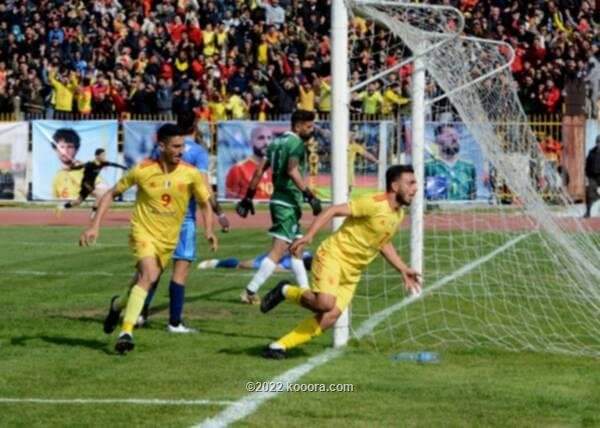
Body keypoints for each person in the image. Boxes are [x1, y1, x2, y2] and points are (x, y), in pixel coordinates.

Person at [79, 124, 217, 354]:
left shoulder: (191, 173)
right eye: (175, 146)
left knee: (144, 280)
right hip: (142, 232)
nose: (181, 151)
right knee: (149, 275)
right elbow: (111, 194)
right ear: (161, 146)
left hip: (168, 239)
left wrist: (209, 230)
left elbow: (204, 202)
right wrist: (94, 226)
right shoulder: (142, 169)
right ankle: (126, 332)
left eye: (182, 146)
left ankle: (117, 305)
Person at [259, 165, 421, 359]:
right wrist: (309, 235)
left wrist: (402, 268)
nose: (415, 188)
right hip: (334, 256)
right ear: (394, 186)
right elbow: (334, 210)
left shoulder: (398, 214)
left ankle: (278, 346)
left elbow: (382, 242)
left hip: (353, 272)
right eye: (410, 183)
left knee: (330, 316)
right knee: (325, 303)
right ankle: (286, 290)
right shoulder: (374, 203)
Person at [138, 112, 231, 331]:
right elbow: (204, 190)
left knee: (152, 271)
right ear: (196, 125)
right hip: (184, 218)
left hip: (158, 218)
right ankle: (175, 322)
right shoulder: (198, 152)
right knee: (180, 271)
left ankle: (139, 314)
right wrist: (218, 215)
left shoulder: (161, 148)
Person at [236, 109, 322, 304]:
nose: (312, 130)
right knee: (277, 251)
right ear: (298, 126)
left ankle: (305, 290)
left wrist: (248, 197)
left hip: (281, 201)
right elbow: (292, 170)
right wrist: (309, 195)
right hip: (287, 202)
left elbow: (259, 171)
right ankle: (250, 291)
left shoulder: (275, 143)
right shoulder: (296, 144)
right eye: (309, 126)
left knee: (297, 248)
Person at [57, 148, 127, 217]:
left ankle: (62, 207)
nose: (104, 157)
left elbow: (114, 164)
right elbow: (80, 167)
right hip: (85, 184)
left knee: (77, 202)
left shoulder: (103, 163)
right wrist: (69, 169)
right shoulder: (90, 164)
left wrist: (124, 167)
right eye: (102, 155)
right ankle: (93, 213)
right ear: (97, 156)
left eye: (104, 155)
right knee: (99, 195)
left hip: (91, 185)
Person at [424, 124, 477, 201]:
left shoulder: (468, 166)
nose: (455, 139)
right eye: (449, 136)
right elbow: (435, 201)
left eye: (456, 136)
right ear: (437, 140)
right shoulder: (431, 166)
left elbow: (472, 197)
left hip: (464, 208)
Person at [225, 125, 274, 199]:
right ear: (251, 142)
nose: (266, 142)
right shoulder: (238, 169)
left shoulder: (278, 168)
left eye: (269, 138)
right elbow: (230, 201)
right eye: (261, 138)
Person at [198, 250, 313, 272]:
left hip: (277, 257)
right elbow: (277, 268)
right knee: (242, 265)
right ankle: (216, 263)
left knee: (243, 265)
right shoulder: (293, 262)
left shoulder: (308, 254)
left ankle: (217, 263)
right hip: (273, 257)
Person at [51, 128, 86, 199]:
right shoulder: (57, 176)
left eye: (70, 147)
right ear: (56, 150)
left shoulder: (87, 170)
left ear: (76, 149)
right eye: (61, 147)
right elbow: (54, 202)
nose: (65, 151)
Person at [348, 129, 379, 194]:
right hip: (340, 169)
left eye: (354, 136)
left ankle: (347, 197)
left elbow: (366, 154)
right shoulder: (341, 145)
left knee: (349, 186)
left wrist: (375, 160)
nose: (353, 137)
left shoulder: (355, 146)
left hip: (349, 170)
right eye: (351, 135)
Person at [584, 135, 600, 218]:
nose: (599, 144)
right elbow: (587, 163)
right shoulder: (591, 152)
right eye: (598, 142)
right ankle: (588, 212)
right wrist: (587, 174)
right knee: (589, 193)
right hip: (592, 176)